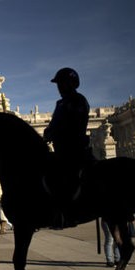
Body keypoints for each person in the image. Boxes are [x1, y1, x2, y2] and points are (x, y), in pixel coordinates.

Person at [43, 67, 93, 227]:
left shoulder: (78, 100)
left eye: (62, 83)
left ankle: (66, 214)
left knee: (63, 178)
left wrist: (55, 131)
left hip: (73, 149)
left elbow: (74, 123)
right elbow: (55, 122)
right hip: (61, 149)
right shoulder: (61, 103)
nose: (59, 87)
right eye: (58, 84)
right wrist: (48, 130)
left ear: (71, 83)